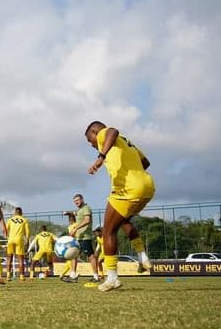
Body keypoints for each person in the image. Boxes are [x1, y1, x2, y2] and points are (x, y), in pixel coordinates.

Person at [85, 121, 155, 291]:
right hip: (147, 186)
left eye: (90, 140)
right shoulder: (126, 142)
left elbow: (112, 131)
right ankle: (142, 256)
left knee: (108, 231)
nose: (92, 144)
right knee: (123, 221)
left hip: (127, 189)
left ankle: (112, 278)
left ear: (94, 132)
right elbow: (145, 162)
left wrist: (101, 157)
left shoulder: (104, 135)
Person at [63, 194, 100, 284]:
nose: (76, 202)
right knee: (74, 255)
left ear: (82, 199)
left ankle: (96, 276)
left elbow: (87, 220)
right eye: (75, 201)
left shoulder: (86, 208)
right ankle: (73, 276)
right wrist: (68, 212)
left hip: (85, 237)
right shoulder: (79, 210)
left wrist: (76, 228)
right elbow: (75, 213)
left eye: (78, 200)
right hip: (78, 238)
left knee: (90, 256)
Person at [6, 207, 30, 282]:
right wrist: (27, 240)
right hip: (19, 239)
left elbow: (6, 229)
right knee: (20, 259)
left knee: (9, 258)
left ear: (15, 212)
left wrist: (8, 238)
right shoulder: (25, 220)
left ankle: (8, 276)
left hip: (11, 239)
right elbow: (27, 232)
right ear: (21, 213)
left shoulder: (10, 219)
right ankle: (22, 276)